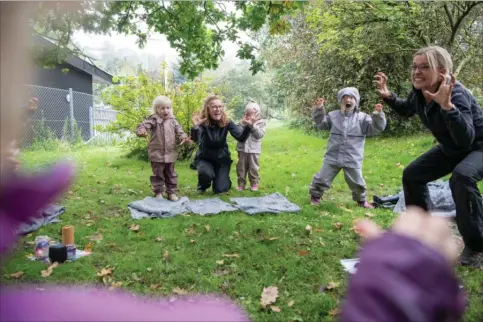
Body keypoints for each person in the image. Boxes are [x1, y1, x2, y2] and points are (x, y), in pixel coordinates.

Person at [375, 45, 483, 266]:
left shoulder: (456, 93)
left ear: (442, 71)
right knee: (413, 174)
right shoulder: (418, 92)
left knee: (462, 177)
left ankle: (476, 246)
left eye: (425, 67)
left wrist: (448, 106)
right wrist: (388, 96)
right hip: (452, 148)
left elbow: (467, 138)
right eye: (415, 66)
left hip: (477, 147)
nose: (417, 72)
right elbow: (407, 109)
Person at [309, 87, 386, 208]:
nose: (348, 100)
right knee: (322, 178)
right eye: (344, 97)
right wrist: (319, 110)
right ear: (340, 100)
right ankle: (315, 197)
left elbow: (375, 129)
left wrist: (377, 115)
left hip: (352, 157)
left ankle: (361, 201)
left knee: (357, 182)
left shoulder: (363, 118)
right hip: (333, 156)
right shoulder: (333, 116)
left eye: (351, 97)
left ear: (356, 101)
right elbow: (322, 124)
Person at [190, 95, 258, 194]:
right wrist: (196, 127)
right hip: (205, 158)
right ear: (207, 109)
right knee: (207, 174)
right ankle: (202, 185)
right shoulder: (202, 123)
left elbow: (241, 138)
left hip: (221, 159)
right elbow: (196, 140)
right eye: (214, 107)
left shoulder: (227, 122)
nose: (218, 109)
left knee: (220, 189)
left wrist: (249, 126)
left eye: (220, 106)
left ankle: (222, 179)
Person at [135, 96, 191, 201]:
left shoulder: (173, 120)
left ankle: (171, 193)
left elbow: (180, 130)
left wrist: (184, 137)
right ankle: (158, 193)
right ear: (157, 109)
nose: (166, 110)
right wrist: (141, 131)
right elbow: (142, 126)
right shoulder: (153, 120)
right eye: (162, 108)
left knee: (171, 174)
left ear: (170, 109)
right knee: (158, 174)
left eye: (168, 108)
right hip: (157, 153)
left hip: (170, 153)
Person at [236, 101, 266, 192]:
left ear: (257, 113)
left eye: (252, 113)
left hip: (254, 150)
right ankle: (241, 184)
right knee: (241, 167)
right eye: (247, 113)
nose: (249, 115)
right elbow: (238, 133)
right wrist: (243, 123)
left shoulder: (261, 123)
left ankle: (254, 183)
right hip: (242, 149)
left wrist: (252, 125)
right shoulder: (242, 122)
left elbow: (260, 135)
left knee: (253, 168)